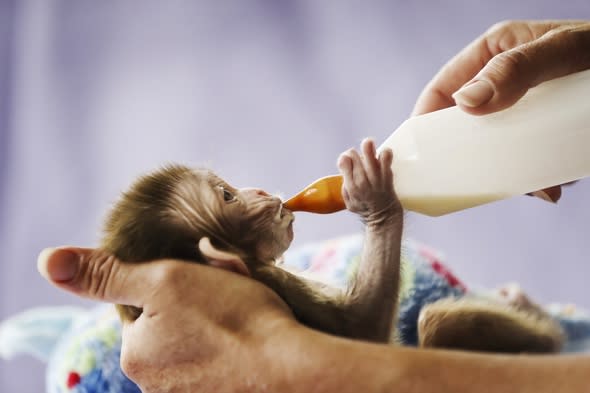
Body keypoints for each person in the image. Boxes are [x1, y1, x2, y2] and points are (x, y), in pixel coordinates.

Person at [38, 20, 590, 393]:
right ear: (223, 262)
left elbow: (352, 343)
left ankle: (540, 330)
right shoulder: (242, 309)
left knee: (449, 323)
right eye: (228, 198)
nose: (256, 192)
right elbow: (364, 337)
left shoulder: (256, 297)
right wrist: (380, 218)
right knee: (443, 327)